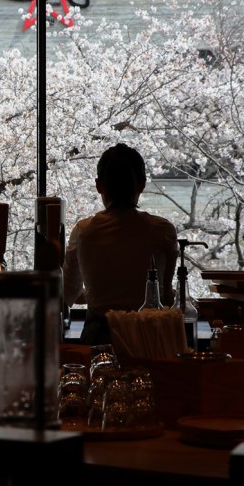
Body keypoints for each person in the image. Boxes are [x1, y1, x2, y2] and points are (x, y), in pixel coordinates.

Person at [62, 143, 179, 345]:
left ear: (99, 185)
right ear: (141, 184)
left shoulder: (84, 232)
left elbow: (67, 293)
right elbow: (165, 296)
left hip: (99, 340)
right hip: (149, 340)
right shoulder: (162, 230)